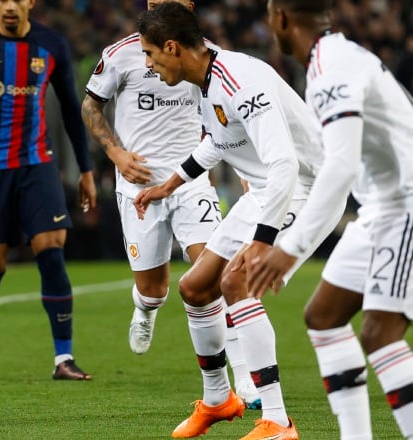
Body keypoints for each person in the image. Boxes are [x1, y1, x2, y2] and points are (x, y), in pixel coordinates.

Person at [134, 2, 339, 438]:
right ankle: (218, 400)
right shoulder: (205, 81)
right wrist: (168, 185)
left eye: (151, 55)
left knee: (235, 282)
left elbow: (284, 163)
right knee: (195, 287)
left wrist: (264, 240)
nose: (149, 65)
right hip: (266, 190)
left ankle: (278, 421)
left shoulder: (239, 79)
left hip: (306, 190)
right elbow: (222, 142)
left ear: (172, 47)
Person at [81, 0, 259, 409]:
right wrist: (116, 155)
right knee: (154, 289)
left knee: (215, 278)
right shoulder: (122, 53)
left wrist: (249, 180)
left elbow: (232, 121)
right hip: (138, 185)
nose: (157, 5)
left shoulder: (207, 56)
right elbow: (91, 104)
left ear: (188, 7)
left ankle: (244, 378)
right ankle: (144, 309)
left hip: (192, 181)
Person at [249, 1, 413, 438]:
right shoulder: (333, 59)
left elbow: (340, 165)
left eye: (269, 17)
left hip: (406, 207)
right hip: (383, 209)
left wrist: (290, 247)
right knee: (323, 316)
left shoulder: (332, 67)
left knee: (380, 336)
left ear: (281, 18)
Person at [0, 0, 97, 381]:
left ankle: (64, 357)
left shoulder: (52, 44)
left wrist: (86, 169)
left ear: (31, 3)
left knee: (51, 246)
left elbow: (72, 109)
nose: (9, 6)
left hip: (37, 163)